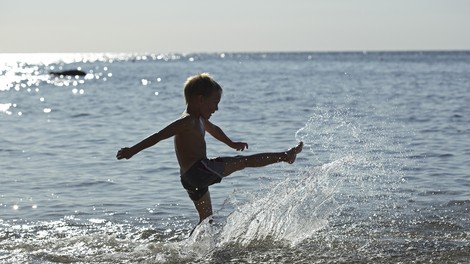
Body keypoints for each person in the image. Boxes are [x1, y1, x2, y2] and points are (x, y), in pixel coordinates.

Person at [116, 73, 303, 228]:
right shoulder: (187, 121)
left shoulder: (199, 120)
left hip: (189, 179)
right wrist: (132, 150)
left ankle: (192, 251)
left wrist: (231, 143)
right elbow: (158, 135)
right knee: (244, 162)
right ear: (200, 99)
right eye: (215, 102)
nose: (217, 108)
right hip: (199, 170)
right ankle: (285, 156)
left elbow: (215, 130)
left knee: (206, 220)